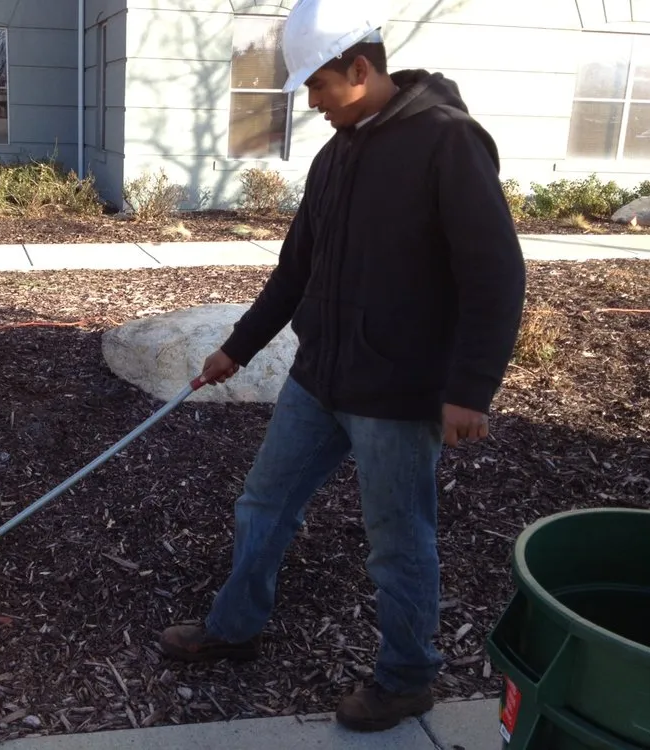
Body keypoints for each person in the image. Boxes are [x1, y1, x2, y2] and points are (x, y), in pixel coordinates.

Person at [158, 0, 527, 734]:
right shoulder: (336, 155)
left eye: (319, 86)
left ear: (361, 69)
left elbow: (495, 274)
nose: (313, 103)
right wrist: (238, 347)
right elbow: (296, 270)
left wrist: (469, 389)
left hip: (397, 392)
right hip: (318, 378)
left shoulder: (447, 143)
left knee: (397, 541)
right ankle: (235, 627)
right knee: (263, 504)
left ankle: (406, 679)